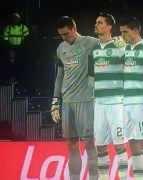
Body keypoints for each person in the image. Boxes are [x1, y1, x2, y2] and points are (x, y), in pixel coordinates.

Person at [51, 16, 98, 180]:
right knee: (71, 145)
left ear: (74, 28)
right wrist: (55, 100)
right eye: (61, 35)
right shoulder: (60, 48)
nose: (64, 38)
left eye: (66, 34)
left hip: (86, 100)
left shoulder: (91, 42)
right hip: (67, 102)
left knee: (90, 144)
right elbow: (59, 75)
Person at [118, 16, 143, 180]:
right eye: (121, 32)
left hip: (142, 101)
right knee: (132, 140)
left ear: (136, 30)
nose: (122, 35)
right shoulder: (124, 49)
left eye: (125, 32)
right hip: (126, 102)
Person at [92, 12, 128, 179]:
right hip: (99, 103)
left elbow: (129, 70)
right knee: (100, 145)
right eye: (96, 22)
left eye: (100, 23)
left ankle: (123, 177)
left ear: (109, 27)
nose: (96, 25)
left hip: (116, 102)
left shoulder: (120, 46)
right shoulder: (94, 49)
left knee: (119, 144)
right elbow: (91, 76)